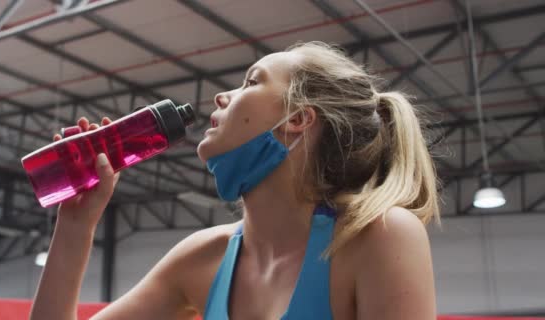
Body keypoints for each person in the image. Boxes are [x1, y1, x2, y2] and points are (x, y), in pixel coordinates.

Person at [30, 41, 440, 320]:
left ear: (297, 119)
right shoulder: (201, 258)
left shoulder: (377, 237)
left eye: (251, 81)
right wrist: (75, 226)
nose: (221, 97)